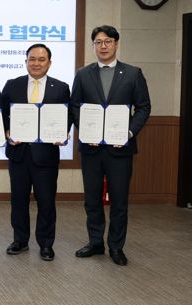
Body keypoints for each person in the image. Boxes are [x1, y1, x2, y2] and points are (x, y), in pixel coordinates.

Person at [71, 25, 151, 266]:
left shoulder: (133, 73)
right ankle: (95, 242)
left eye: (107, 41)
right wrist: (86, 131)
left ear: (116, 44)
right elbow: (75, 106)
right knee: (92, 199)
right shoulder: (83, 74)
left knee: (119, 200)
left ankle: (116, 246)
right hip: (92, 148)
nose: (103, 46)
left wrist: (129, 132)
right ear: (93, 46)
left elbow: (144, 107)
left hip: (120, 149)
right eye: (98, 42)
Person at [1, 43, 71, 261]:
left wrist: (63, 133)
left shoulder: (61, 87)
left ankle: (46, 244)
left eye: (41, 59)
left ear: (49, 63)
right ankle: (20, 241)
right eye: (32, 59)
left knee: (46, 201)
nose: (36, 63)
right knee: (18, 200)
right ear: (26, 62)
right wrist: (6, 131)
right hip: (19, 153)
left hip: (46, 155)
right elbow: (2, 114)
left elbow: (67, 116)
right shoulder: (13, 85)